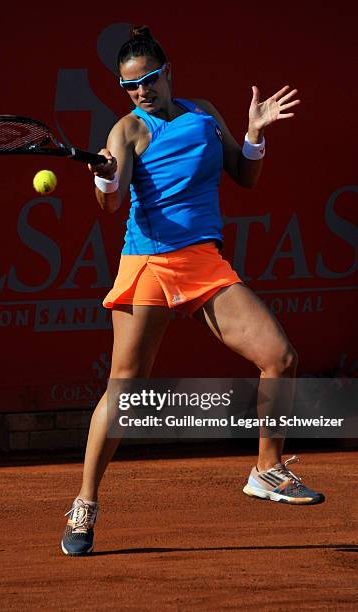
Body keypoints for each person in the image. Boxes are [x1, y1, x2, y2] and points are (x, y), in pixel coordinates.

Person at [61, 25, 325, 557]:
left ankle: (267, 469)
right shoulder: (126, 131)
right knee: (125, 389)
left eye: (149, 80)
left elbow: (243, 177)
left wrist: (254, 135)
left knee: (280, 355)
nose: (141, 91)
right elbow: (111, 207)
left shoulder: (203, 112)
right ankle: (85, 502)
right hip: (149, 263)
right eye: (129, 85)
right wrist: (107, 179)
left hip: (202, 260)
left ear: (168, 71)